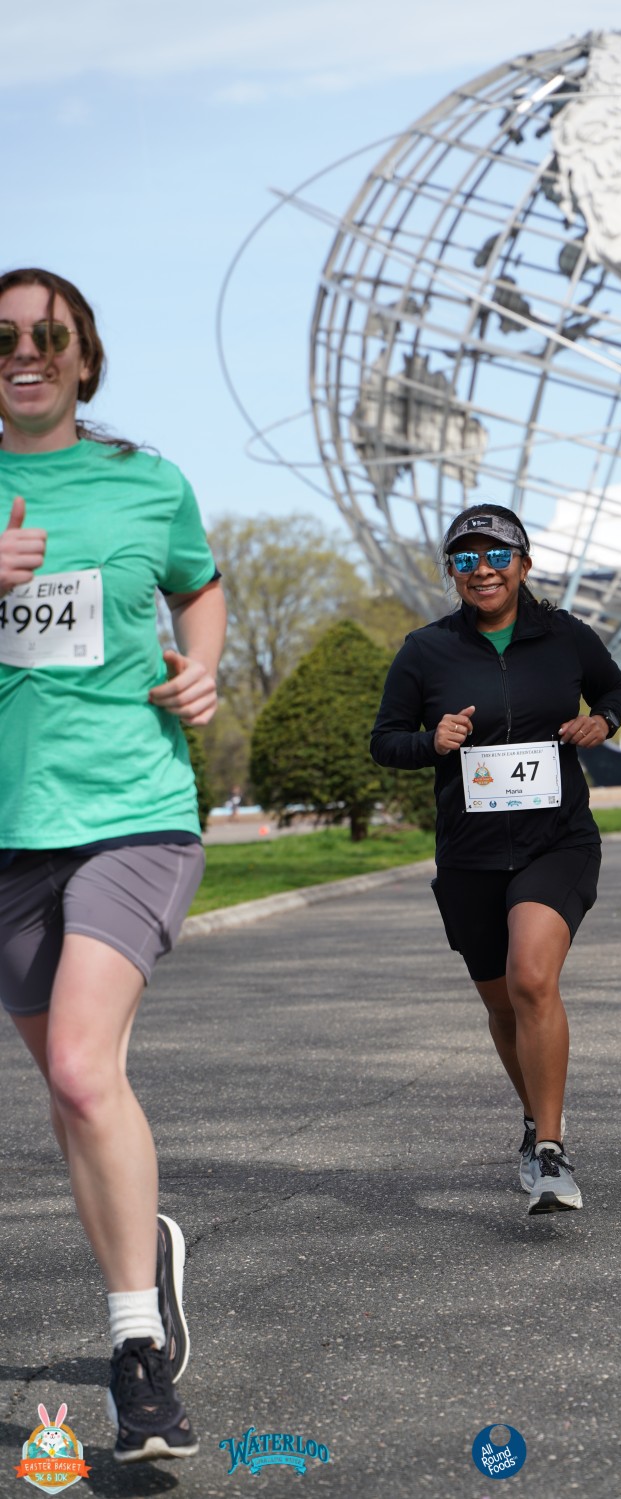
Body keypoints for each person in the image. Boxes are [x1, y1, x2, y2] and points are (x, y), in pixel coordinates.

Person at [0, 269, 226, 1462]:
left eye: (50, 335)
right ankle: (149, 1254)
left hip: (134, 807)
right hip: (7, 830)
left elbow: (201, 583)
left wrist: (202, 666)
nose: (25, 352)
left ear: (84, 357)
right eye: (3, 337)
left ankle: (136, 1346)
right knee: (75, 1088)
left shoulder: (148, 480)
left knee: (87, 1070)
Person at [370, 503, 621, 1215]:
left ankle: (550, 1150)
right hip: (470, 854)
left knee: (532, 978)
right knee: (501, 1004)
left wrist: (602, 720)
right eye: (464, 559)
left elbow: (614, 689)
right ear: (452, 573)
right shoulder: (426, 650)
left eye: (495, 556)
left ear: (523, 563)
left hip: (556, 840)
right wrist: (432, 742)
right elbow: (385, 740)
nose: (481, 570)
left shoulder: (566, 635)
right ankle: (533, 1116)